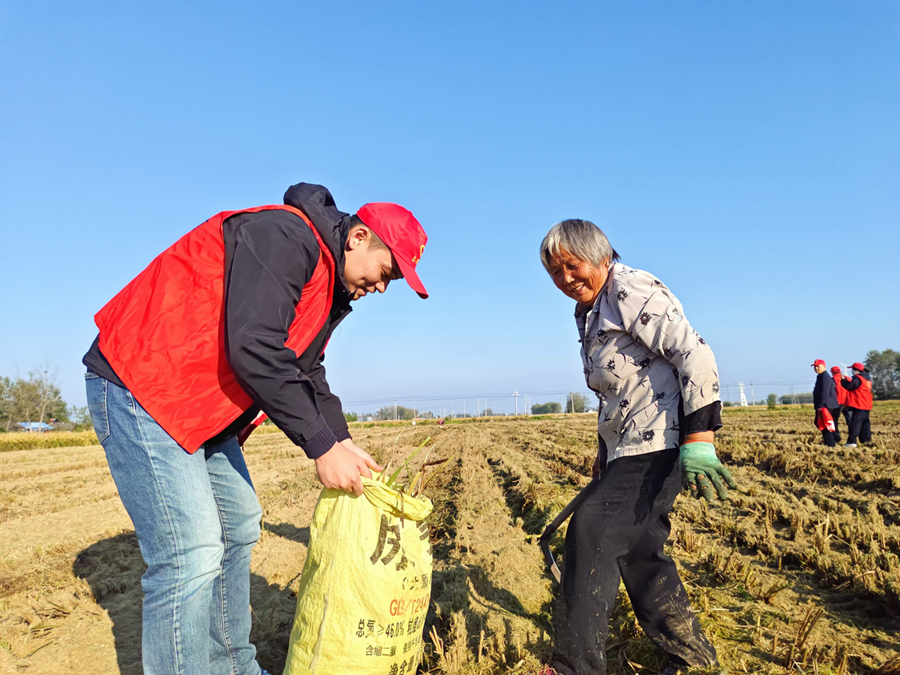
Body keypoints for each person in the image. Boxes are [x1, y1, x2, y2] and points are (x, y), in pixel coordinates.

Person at [82, 183, 428, 675]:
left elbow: (307, 371)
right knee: (191, 553)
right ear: (358, 238)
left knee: (239, 521)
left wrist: (343, 439)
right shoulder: (286, 237)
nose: (382, 286)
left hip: (197, 402)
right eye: (387, 271)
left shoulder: (328, 287)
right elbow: (255, 347)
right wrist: (320, 448)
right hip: (144, 382)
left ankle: (232, 667)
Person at [539, 219, 732, 675]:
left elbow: (695, 354)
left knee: (591, 529)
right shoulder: (588, 312)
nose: (565, 278)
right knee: (643, 554)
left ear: (603, 258)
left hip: (662, 441)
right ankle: (692, 657)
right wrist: (604, 455)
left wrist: (700, 438)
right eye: (554, 271)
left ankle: (574, 668)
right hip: (628, 446)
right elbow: (617, 391)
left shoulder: (630, 290)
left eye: (573, 265)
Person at [841, 362, 873, 447]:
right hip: (866, 404)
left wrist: (843, 381)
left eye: (852, 369)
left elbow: (849, 386)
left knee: (855, 424)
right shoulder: (867, 379)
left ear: (856, 370)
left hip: (859, 404)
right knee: (865, 423)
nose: (852, 371)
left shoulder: (858, 378)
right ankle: (866, 440)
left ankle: (851, 442)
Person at [811, 359, 839, 446]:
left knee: (824, 424)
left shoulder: (824, 377)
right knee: (821, 423)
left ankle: (831, 442)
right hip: (827, 405)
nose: (816, 368)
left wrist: (821, 405)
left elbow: (824, 392)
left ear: (824, 366)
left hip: (826, 405)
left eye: (818, 366)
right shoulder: (822, 376)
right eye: (815, 367)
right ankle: (834, 438)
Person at [831, 366, 851, 439]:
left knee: (834, 419)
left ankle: (836, 435)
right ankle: (852, 434)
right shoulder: (847, 378)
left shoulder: (832, 380)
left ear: (832, 372)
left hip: (837, 403)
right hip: (848, 402)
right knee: (850, 419)